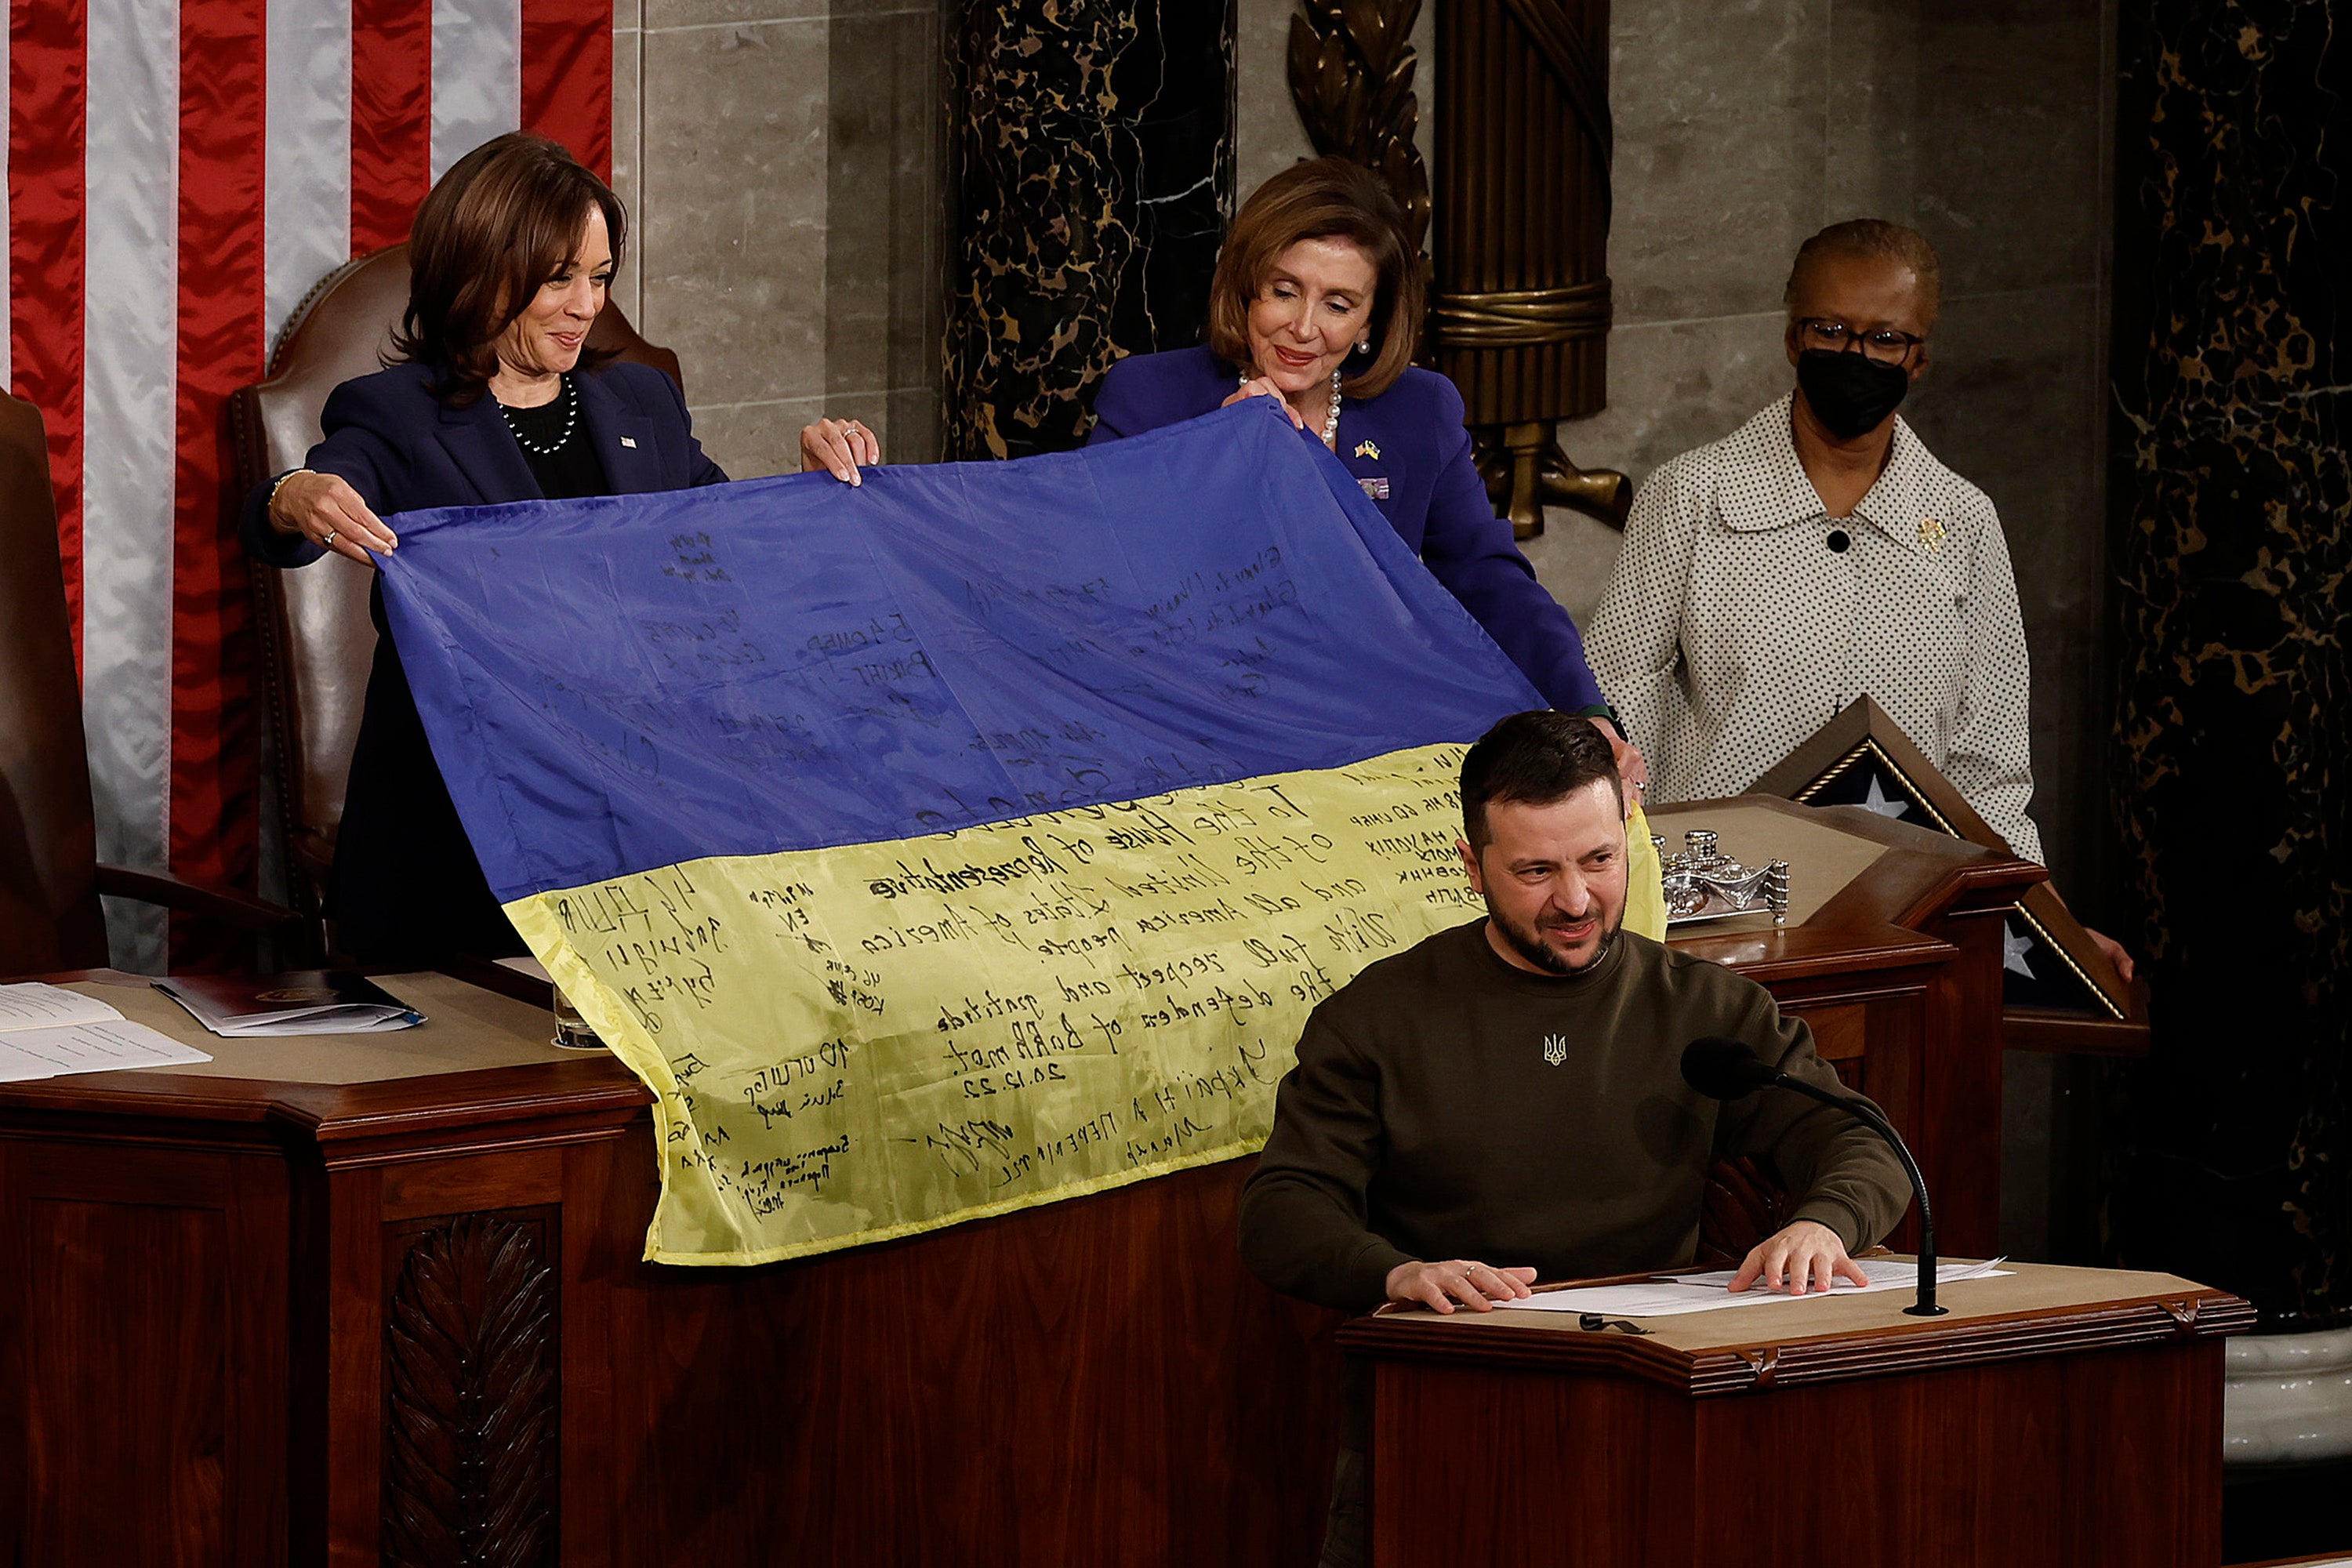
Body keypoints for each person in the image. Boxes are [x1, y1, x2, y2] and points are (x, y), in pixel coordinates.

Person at [1237, 711, 1910, 1566]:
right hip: (1448, 1407)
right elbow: (1282, 1208)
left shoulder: (1706, 1009)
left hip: (1658, 1403)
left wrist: (1824, 1223)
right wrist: (1397, 1271)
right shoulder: (1378, 1018)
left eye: (1599, 859)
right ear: (1472, 866)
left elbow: (1863, 1144)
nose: (1576, 899)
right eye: (1535, 870)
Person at [799, 156, 1647, 798]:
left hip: (1374, 742)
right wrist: (864, 489)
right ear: (1246, 284)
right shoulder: (1154, 395)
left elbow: (1496, 586)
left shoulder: (1418, 412)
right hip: (1190, 749)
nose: (1303, 327)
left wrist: (1587, 711)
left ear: (1371, 322)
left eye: (1339, 304)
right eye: (1284, 289)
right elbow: (1071, 573)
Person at [244, 132, 858, 963]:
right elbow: (305, 497)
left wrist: (815, 486)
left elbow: (724, 539)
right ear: (482, 270)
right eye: (559, 277)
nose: (587, 305)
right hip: (456, 841)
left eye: (600, 277)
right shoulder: (395, 412)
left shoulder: (640, 398)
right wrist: (293, 496)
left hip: (633, 828)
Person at [1585, 219, 2133, 978]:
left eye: (1886, 339)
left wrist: (2049, 925)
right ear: (1791, 337)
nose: (1857, 355)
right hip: (1712, 907)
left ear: (1920, 356)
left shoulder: (1964, 520)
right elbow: (1617, 697)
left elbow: (1990, 766)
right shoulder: (1693, 495)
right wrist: (1609, 878)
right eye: (1832, 329)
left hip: (1905, 912)